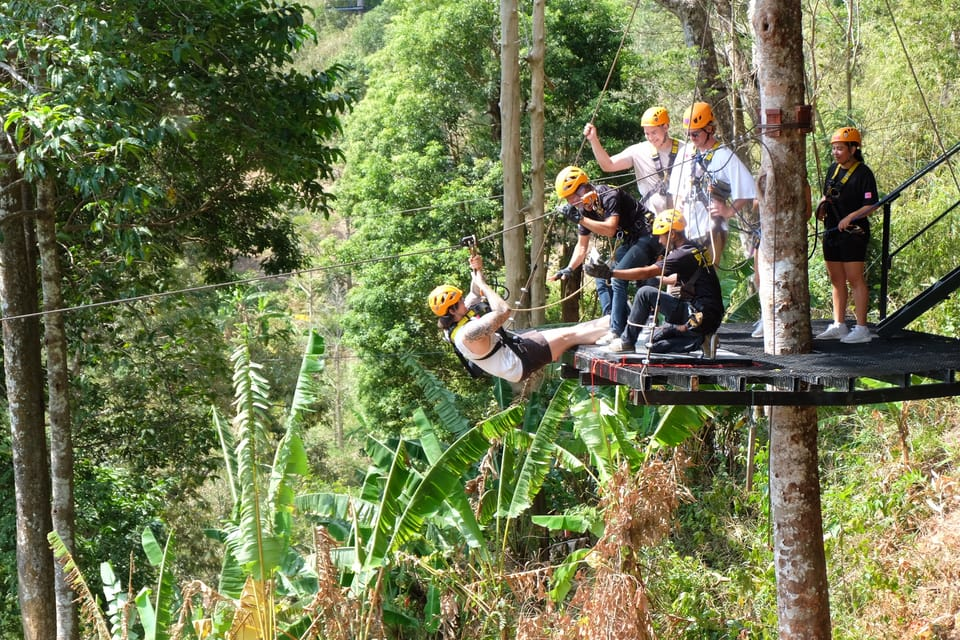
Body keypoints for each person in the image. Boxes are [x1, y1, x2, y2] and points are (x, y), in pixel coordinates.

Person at [429, 253, 610, 383]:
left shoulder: (453, 322)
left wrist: (476, 269)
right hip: (516, 363)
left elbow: (474, 293)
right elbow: (503, 311)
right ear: (452, 311)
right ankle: (616, 329)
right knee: (569, 337)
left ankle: (613, 321)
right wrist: (483, 284)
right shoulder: (467, 334)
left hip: (512, 348)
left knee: (572, 330)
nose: (464, 302)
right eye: (459, 302)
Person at [585, 209, 724, 357]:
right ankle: (701, 338)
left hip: (700, 315)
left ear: (673, 234)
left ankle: (627, 341)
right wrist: (655, 279)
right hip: (705, 313)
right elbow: (678, 279)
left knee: (644, 294)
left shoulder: (681, 255)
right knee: (653, 341)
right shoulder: (693, 248)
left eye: (661, 237)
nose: (659, 241)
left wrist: (611, 273)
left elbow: (648, 272)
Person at [551, 165, 662, 346]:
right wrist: (569, 269)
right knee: (601, 276)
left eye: (573, 197)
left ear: (583, 189)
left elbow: (610, 229)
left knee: (617, 276)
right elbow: (581, 246)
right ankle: (613, 318)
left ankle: (617, 331)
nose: (572, 203)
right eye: (568, 200)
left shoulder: (609, 195)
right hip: (631, 240)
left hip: (649, 235)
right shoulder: (585, 211)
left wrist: (580, 219)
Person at [669, 101, 757, 265]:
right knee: (682, 280)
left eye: (695, 134)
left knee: (707, 278)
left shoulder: (724, 155)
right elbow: (675, 189)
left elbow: (748, 188)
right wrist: (677, 208)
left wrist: (729, 212)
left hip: (711, 228)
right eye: (689, 134)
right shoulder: (685, 153)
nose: (692, 138)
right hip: (686, 227)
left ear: (709, 129)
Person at [813, 126, 879, 344]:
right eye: (834, 149)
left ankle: (861, 327)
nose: (836, 152)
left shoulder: (863, 173)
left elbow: (871, 205)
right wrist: (822, 206)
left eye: (840, 148)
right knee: (836, 279)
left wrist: (851, 217)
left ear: (853, 148)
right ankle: (839, 324)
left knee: (855, 278)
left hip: (853, 233)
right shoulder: (833, 170)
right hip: (832, 230)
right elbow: (828, 194)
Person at [582, 106, 681, 214]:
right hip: (654, 221)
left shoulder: (685, 149)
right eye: (647, 133)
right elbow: (608, 165)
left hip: (682, 218)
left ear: (665, 127)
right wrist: (593, 140)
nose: (651, 138)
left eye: (654, 132)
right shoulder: (638, 151)